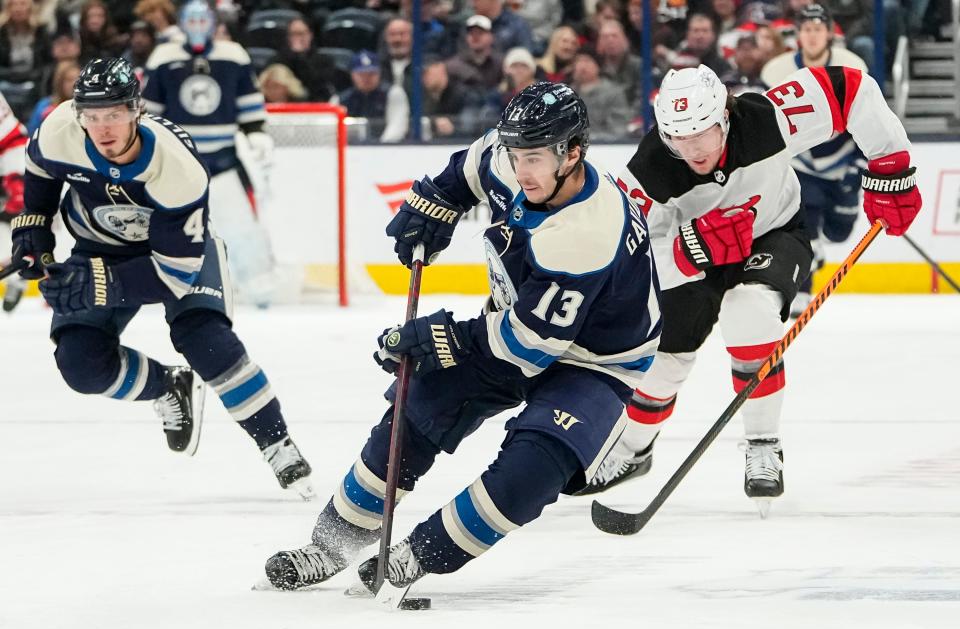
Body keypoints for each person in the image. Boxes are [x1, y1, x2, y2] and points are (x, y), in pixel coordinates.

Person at [263, 81, 661, 591]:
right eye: (517, 154)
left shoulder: (588, 231)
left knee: (533, 470)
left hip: (595, 362)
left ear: (574, 152)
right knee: (417, 407)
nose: (522, 170)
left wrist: (442, 338)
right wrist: (436, 202)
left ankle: (419, 554)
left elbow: (529, 347)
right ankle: (332, 545)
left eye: (535, 158)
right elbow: (468, 170)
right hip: (516, 322)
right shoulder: (509, 158)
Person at [586, 64, 921, 516]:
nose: (690, 149)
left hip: (775, 234)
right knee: (663, 357)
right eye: (677, 138)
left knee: (749, 314)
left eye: (701, 133)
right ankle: (633, 449)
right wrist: (686, 251)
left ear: (724, 116)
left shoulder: (769, 117)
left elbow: (851, 87)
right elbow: (626, 259)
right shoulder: (648, 172)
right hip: (697, 258)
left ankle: (764, 444)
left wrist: (892, 166)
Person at [9, 57, 314, 498]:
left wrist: (101, 283)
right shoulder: (59, 129)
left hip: (176, 254)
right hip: (99, 248)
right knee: (80, 364)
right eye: (92, 117)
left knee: (205, 340)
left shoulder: (177, 168)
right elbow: (40, 175)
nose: (103, 128)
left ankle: (277, 443)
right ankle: (168, 385)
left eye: (113, 114)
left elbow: (173, 274)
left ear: (136, 110)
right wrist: (33, 231)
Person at [142, 0, 277, 307]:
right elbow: (150, 112)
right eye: (193, 21)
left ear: (215, 24)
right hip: (179, 160)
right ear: (181, 23)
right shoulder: (164, 56)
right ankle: (167, 285)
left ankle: (259, 288)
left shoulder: (233, 55)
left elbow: (248, 101)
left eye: (205, 21)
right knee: (173, 228)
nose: (198, 28)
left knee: (241, 226)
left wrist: (256, 132)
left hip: (223, 158)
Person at [761, 4, 868, 317]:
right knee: (804, 223)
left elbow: (865, 120)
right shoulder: (777, 71)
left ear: (829, 34)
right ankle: (802, 289)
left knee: (839, 231)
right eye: (806, 29)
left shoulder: (852, 66)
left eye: (817, 29)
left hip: (843, 159)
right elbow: (771, 121)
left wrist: (860, 166)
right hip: (801, 162)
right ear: (797, 35)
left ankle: (817, 245)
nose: (811, 36)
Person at [0, 88, 27, 311]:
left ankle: (17, 278)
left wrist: (16, 180)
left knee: (9, 227)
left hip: (5, 170)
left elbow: (12, 137)